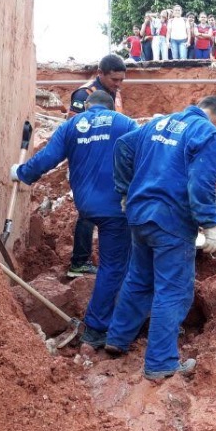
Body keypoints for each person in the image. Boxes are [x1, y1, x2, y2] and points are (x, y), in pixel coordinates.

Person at [104, 96, 216, 381]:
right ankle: (161, 363)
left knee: (139, 278)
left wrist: (125, 191)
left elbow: (123, 146)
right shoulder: (208, 133)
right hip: (171, 219)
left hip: (139, 213)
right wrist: (209, 223)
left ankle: (117, 338)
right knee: (172, 290)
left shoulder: (159, 122)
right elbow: (201, 181)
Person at [10, 91, 138, 349]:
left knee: (115, 264)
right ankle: (97, 327)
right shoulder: (124, 123)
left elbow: (46, 159)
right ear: (110, 106)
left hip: (87, 207)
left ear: (87, 107)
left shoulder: (71, 126)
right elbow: (145, 156)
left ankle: (114, 317)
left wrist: (21, 173)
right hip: (116, 207)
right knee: (114, 266)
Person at [65, 54, 128, 277]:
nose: (118, 84)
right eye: (114, 80)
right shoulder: (84, 95)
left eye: (121, 80)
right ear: (100, 74)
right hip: (88, 164)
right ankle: (79, 262)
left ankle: (111, 261)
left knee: (109, 209)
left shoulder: (114, 93)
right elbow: (72, 132)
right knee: (87, 212)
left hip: (110, 163)